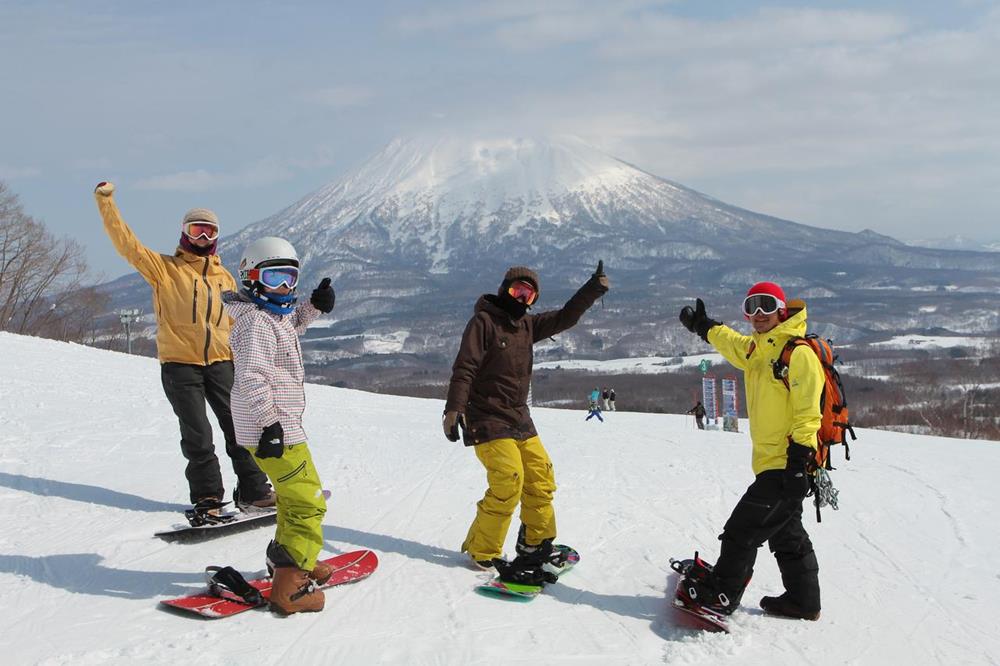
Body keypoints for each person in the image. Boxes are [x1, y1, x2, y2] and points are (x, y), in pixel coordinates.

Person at [93, 182, 273, 520]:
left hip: (221, 363)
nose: (202, 238)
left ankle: (254, 492)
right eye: (196, 230)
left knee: (239, 430)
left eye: (209, 231)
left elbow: (238, 325)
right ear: (185, 233)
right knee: (198, 435)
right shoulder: (165, 269)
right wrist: (106, 203)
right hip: (180, 366)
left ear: (217, 236)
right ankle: (208, 498)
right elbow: (127, 244)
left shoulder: (226, 279)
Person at [443, 262, 609, 575]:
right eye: (516, 291)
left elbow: (565, 317)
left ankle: (537, 543)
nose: (521, 299)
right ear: (504, 288)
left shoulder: (526, 327)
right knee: (509, 480)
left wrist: (593, 289)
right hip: (487, 418)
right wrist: (454, 409)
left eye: (528, 295)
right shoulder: (484, 322)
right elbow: (465, 367)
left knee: (541, 479)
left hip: (519, 419)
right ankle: (482, 551)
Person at [677, 281, 824, 621]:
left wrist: (799, 463)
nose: (758, 314)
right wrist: (704, 326)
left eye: (766, 306)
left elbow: (808, 414)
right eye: (752, 306)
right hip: (773, 463)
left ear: (781, 310)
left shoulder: (797, 353)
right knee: (786, 533)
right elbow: (731, 343)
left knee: (741, 531)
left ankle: (721, 596)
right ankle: (804, 601)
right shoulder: (759, 350)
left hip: (788, 464)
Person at [222, 236, 337, 614]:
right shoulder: (255, 323)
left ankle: (287, 558)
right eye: (275, 279)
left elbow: (289, 326)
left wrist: (313, 309)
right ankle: (290, 587)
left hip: (278, 427)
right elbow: (252, 376)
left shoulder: (271, 316)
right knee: (308, 502)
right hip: (273, 429)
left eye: (291, 278)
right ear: (252, 279)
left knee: (292, 497)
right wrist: (269, 424)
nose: (285, 287)